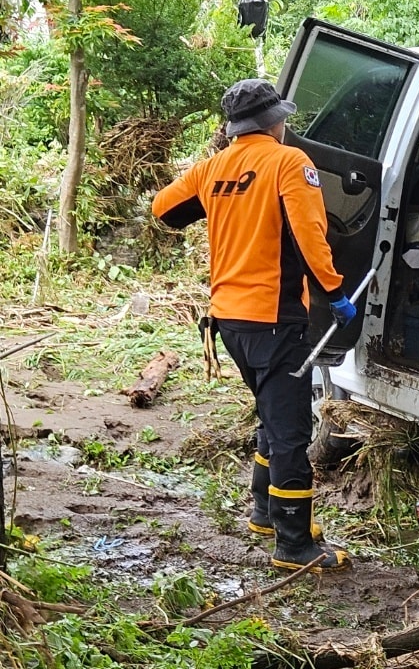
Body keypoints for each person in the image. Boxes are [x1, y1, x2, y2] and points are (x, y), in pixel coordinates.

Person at [152, 78, 357, 571]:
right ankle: (294, 544)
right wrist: (334, 293)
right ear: (275, 122)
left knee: (271, 412)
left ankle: (265, 512)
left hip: (228, 321)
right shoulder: (289, 163)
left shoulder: (214, 167)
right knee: (290, 431)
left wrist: (218, 196)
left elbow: (163, 210)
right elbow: (310, 236)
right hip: (274, 320)